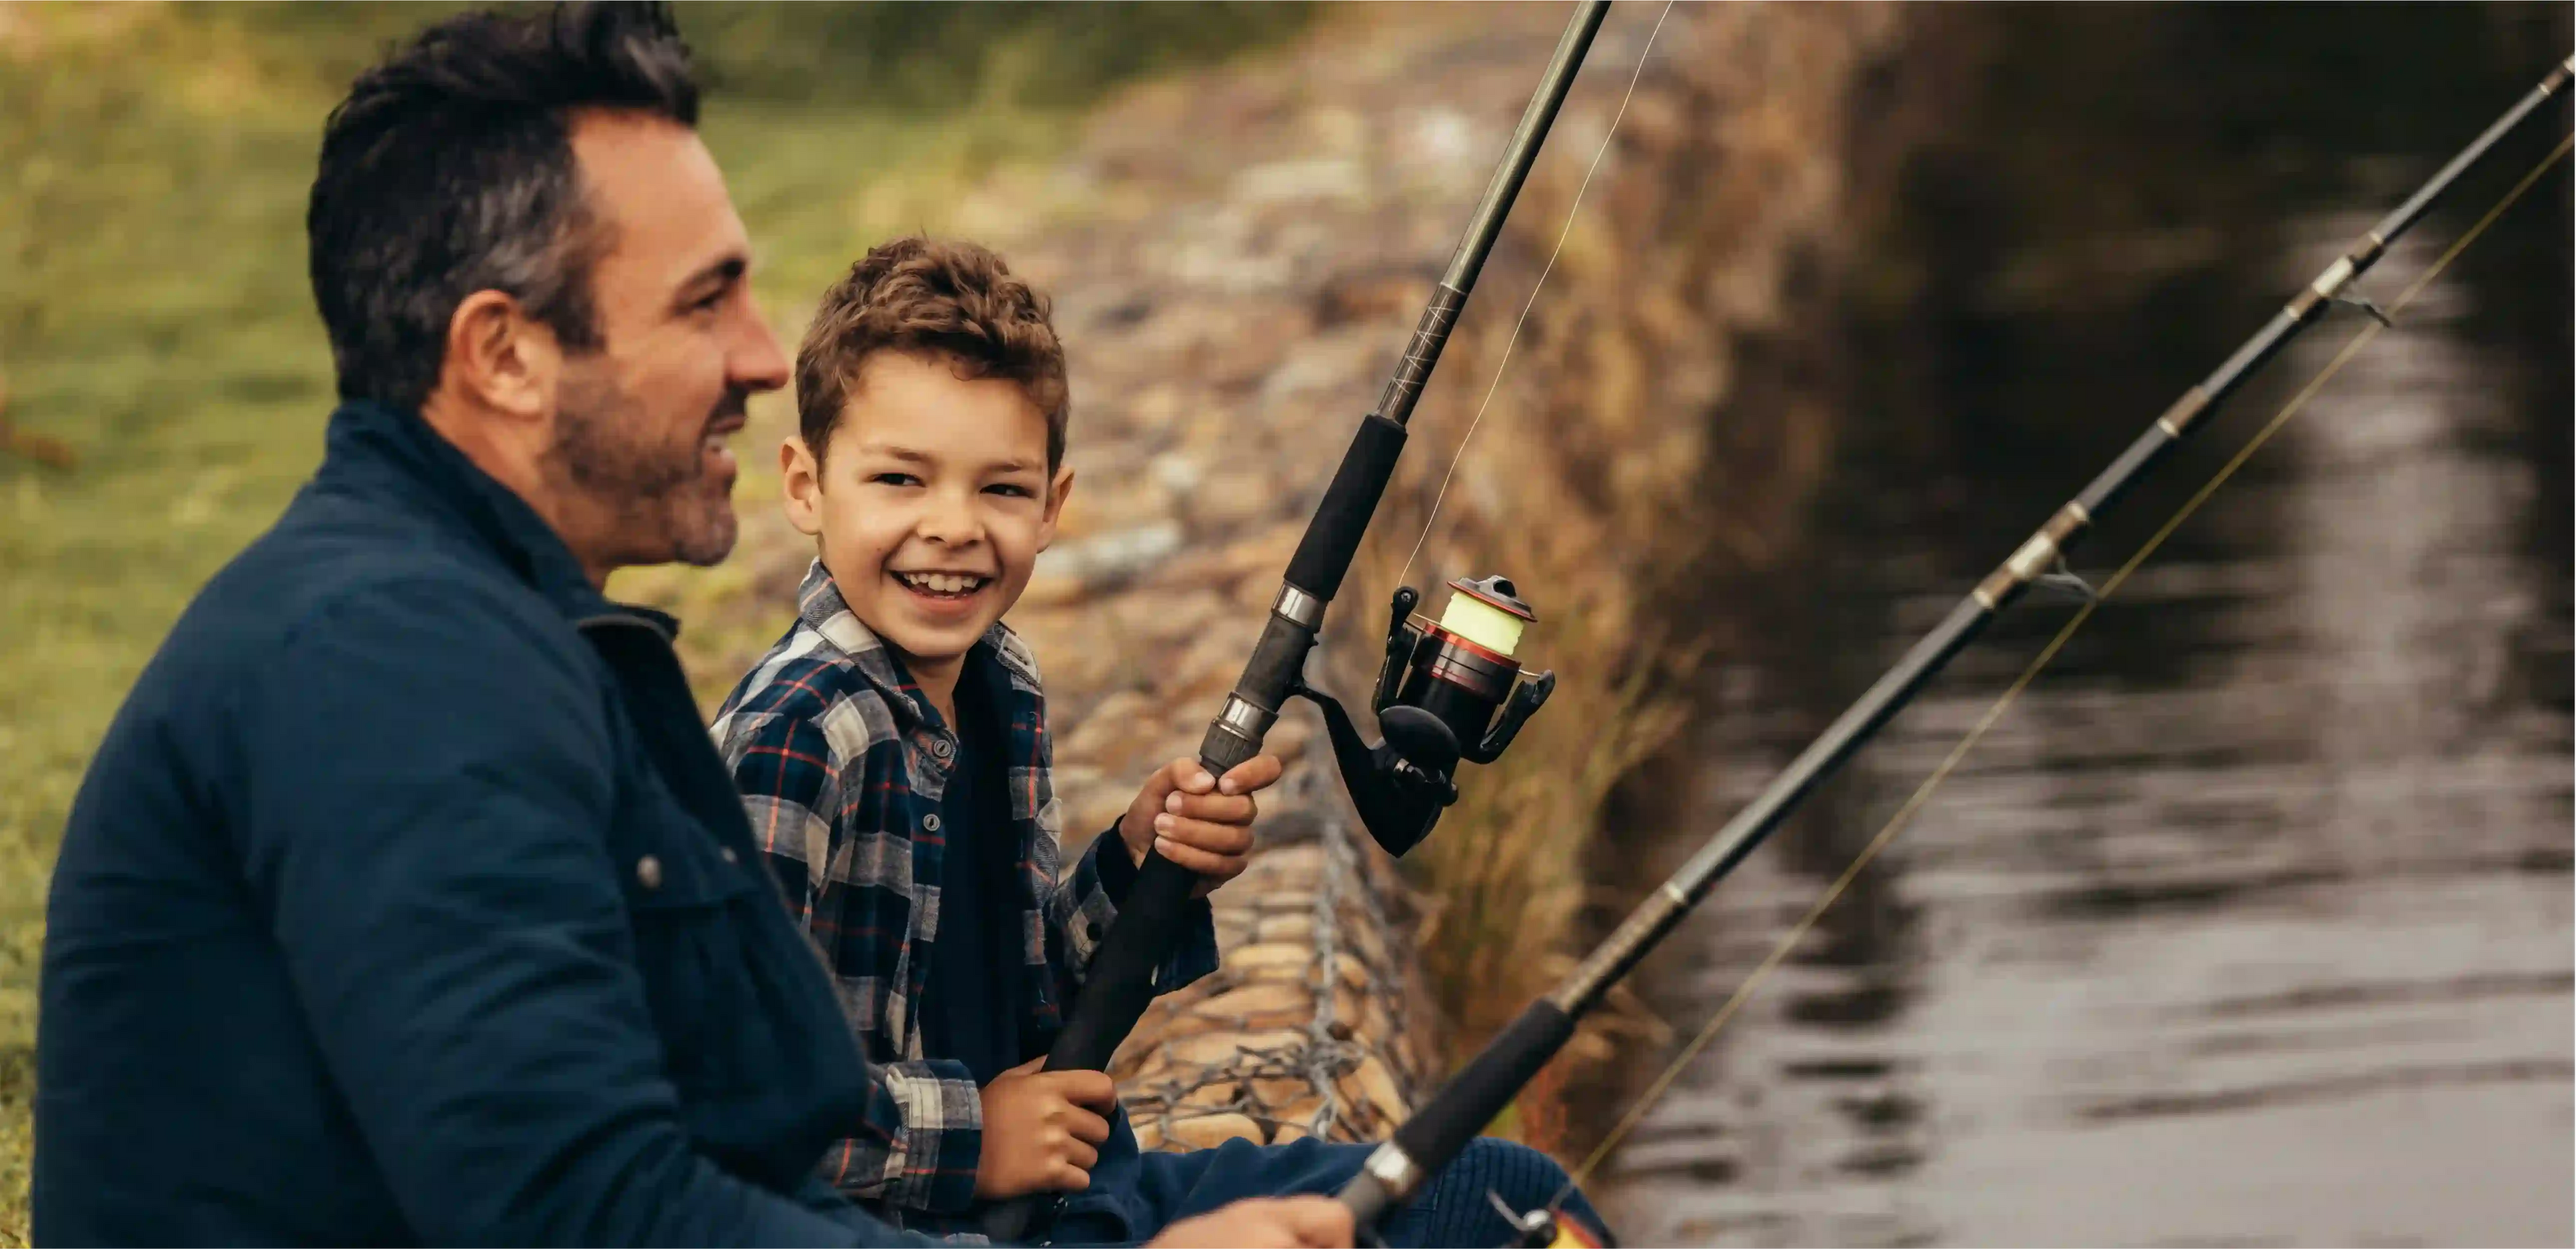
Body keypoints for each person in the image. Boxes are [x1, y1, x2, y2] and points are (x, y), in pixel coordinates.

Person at [30, 6, 1351, 1249]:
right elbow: (589, 1207)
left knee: (1492, 1193)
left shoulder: (500, 630)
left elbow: (729, 1110)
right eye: (703, 300)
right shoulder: (390, 671)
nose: (765, 356)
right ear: (506, 356)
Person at [710, 235, 1617, 1248]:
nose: (953, 526)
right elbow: (729, 1093)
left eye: (1000, 489)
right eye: (900, 480)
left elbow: (1026, 1000)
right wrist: (973, 1137)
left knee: (1508, 1195)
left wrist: (1141, 869)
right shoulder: (795, 737)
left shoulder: (999, 681)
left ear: (1054, 505)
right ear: (804, 485)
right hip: (913, 1227)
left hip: (1083, 1197)